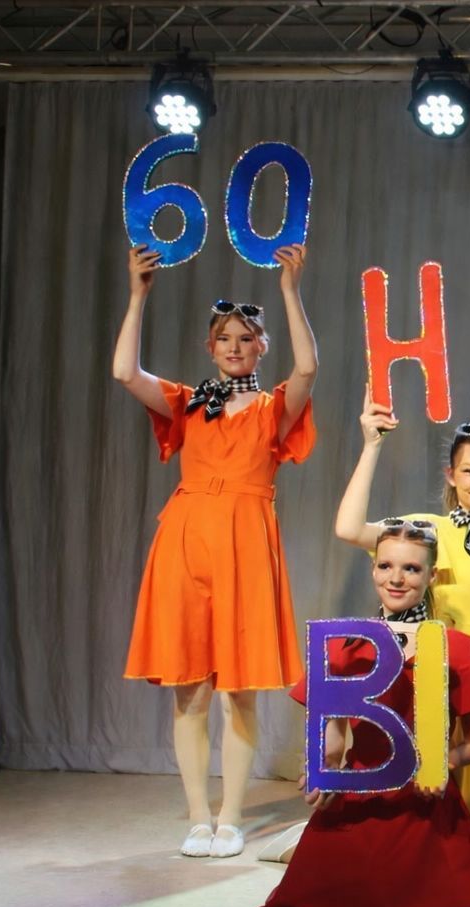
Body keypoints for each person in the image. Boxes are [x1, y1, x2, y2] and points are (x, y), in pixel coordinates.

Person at [114, 243, 317, 858]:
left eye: (245, 338)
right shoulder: (187, 403)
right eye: (224, 338)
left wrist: (289, 291)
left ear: (261, 347)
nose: (234, 346)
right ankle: (198, 818)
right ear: (210, 347)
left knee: (240, 691)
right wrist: (138, 295)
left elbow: (308, 369)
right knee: (190, 690)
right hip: (186, 542)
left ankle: (231, 819)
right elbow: (125, 373)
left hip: (245, 548)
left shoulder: (272, 409)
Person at [245, 520, 470, 907]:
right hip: (360, 791)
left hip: (424, 797)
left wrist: (439, 765)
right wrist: (324, 772)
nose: (396, 578)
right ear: (373, 570)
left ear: (431, 576)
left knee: (438, 905)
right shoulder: (342, 646)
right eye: (386, 566)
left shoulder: (457, 648)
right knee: (333, 905)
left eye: (411, 568)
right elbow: (333, 736)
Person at [327, 393, 470, 826]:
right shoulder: (431, 531)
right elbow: (349, 528)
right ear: (450, 475)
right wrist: (372, 445)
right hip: (440, 686)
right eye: (469, 470)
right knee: (424, 811)